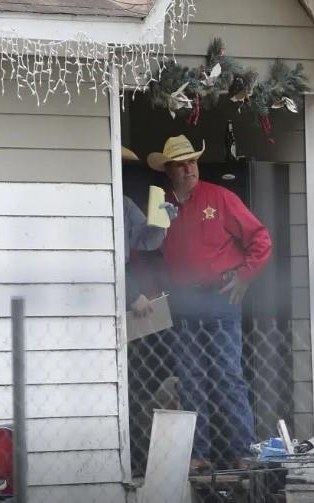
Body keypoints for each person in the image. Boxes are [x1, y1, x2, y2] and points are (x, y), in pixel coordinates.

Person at [147, 135, 272, 471]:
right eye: (181, 164)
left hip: (220, 297)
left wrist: (245, 276)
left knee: (227, 374)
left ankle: (242, 451)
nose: (188, 168)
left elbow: (260, 238)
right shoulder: (159, 206)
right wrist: (148, 291)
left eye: (192, 162)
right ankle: (197, 455)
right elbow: (149, 254)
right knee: (190, 378)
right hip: (183, 300)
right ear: (169, 170)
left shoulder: (220, 196)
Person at [122, 146, 177, 316]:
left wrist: (162, 222)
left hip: (119, 281)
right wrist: (132, 294)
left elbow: (145, 240)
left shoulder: (124, 203)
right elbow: (100, 260)